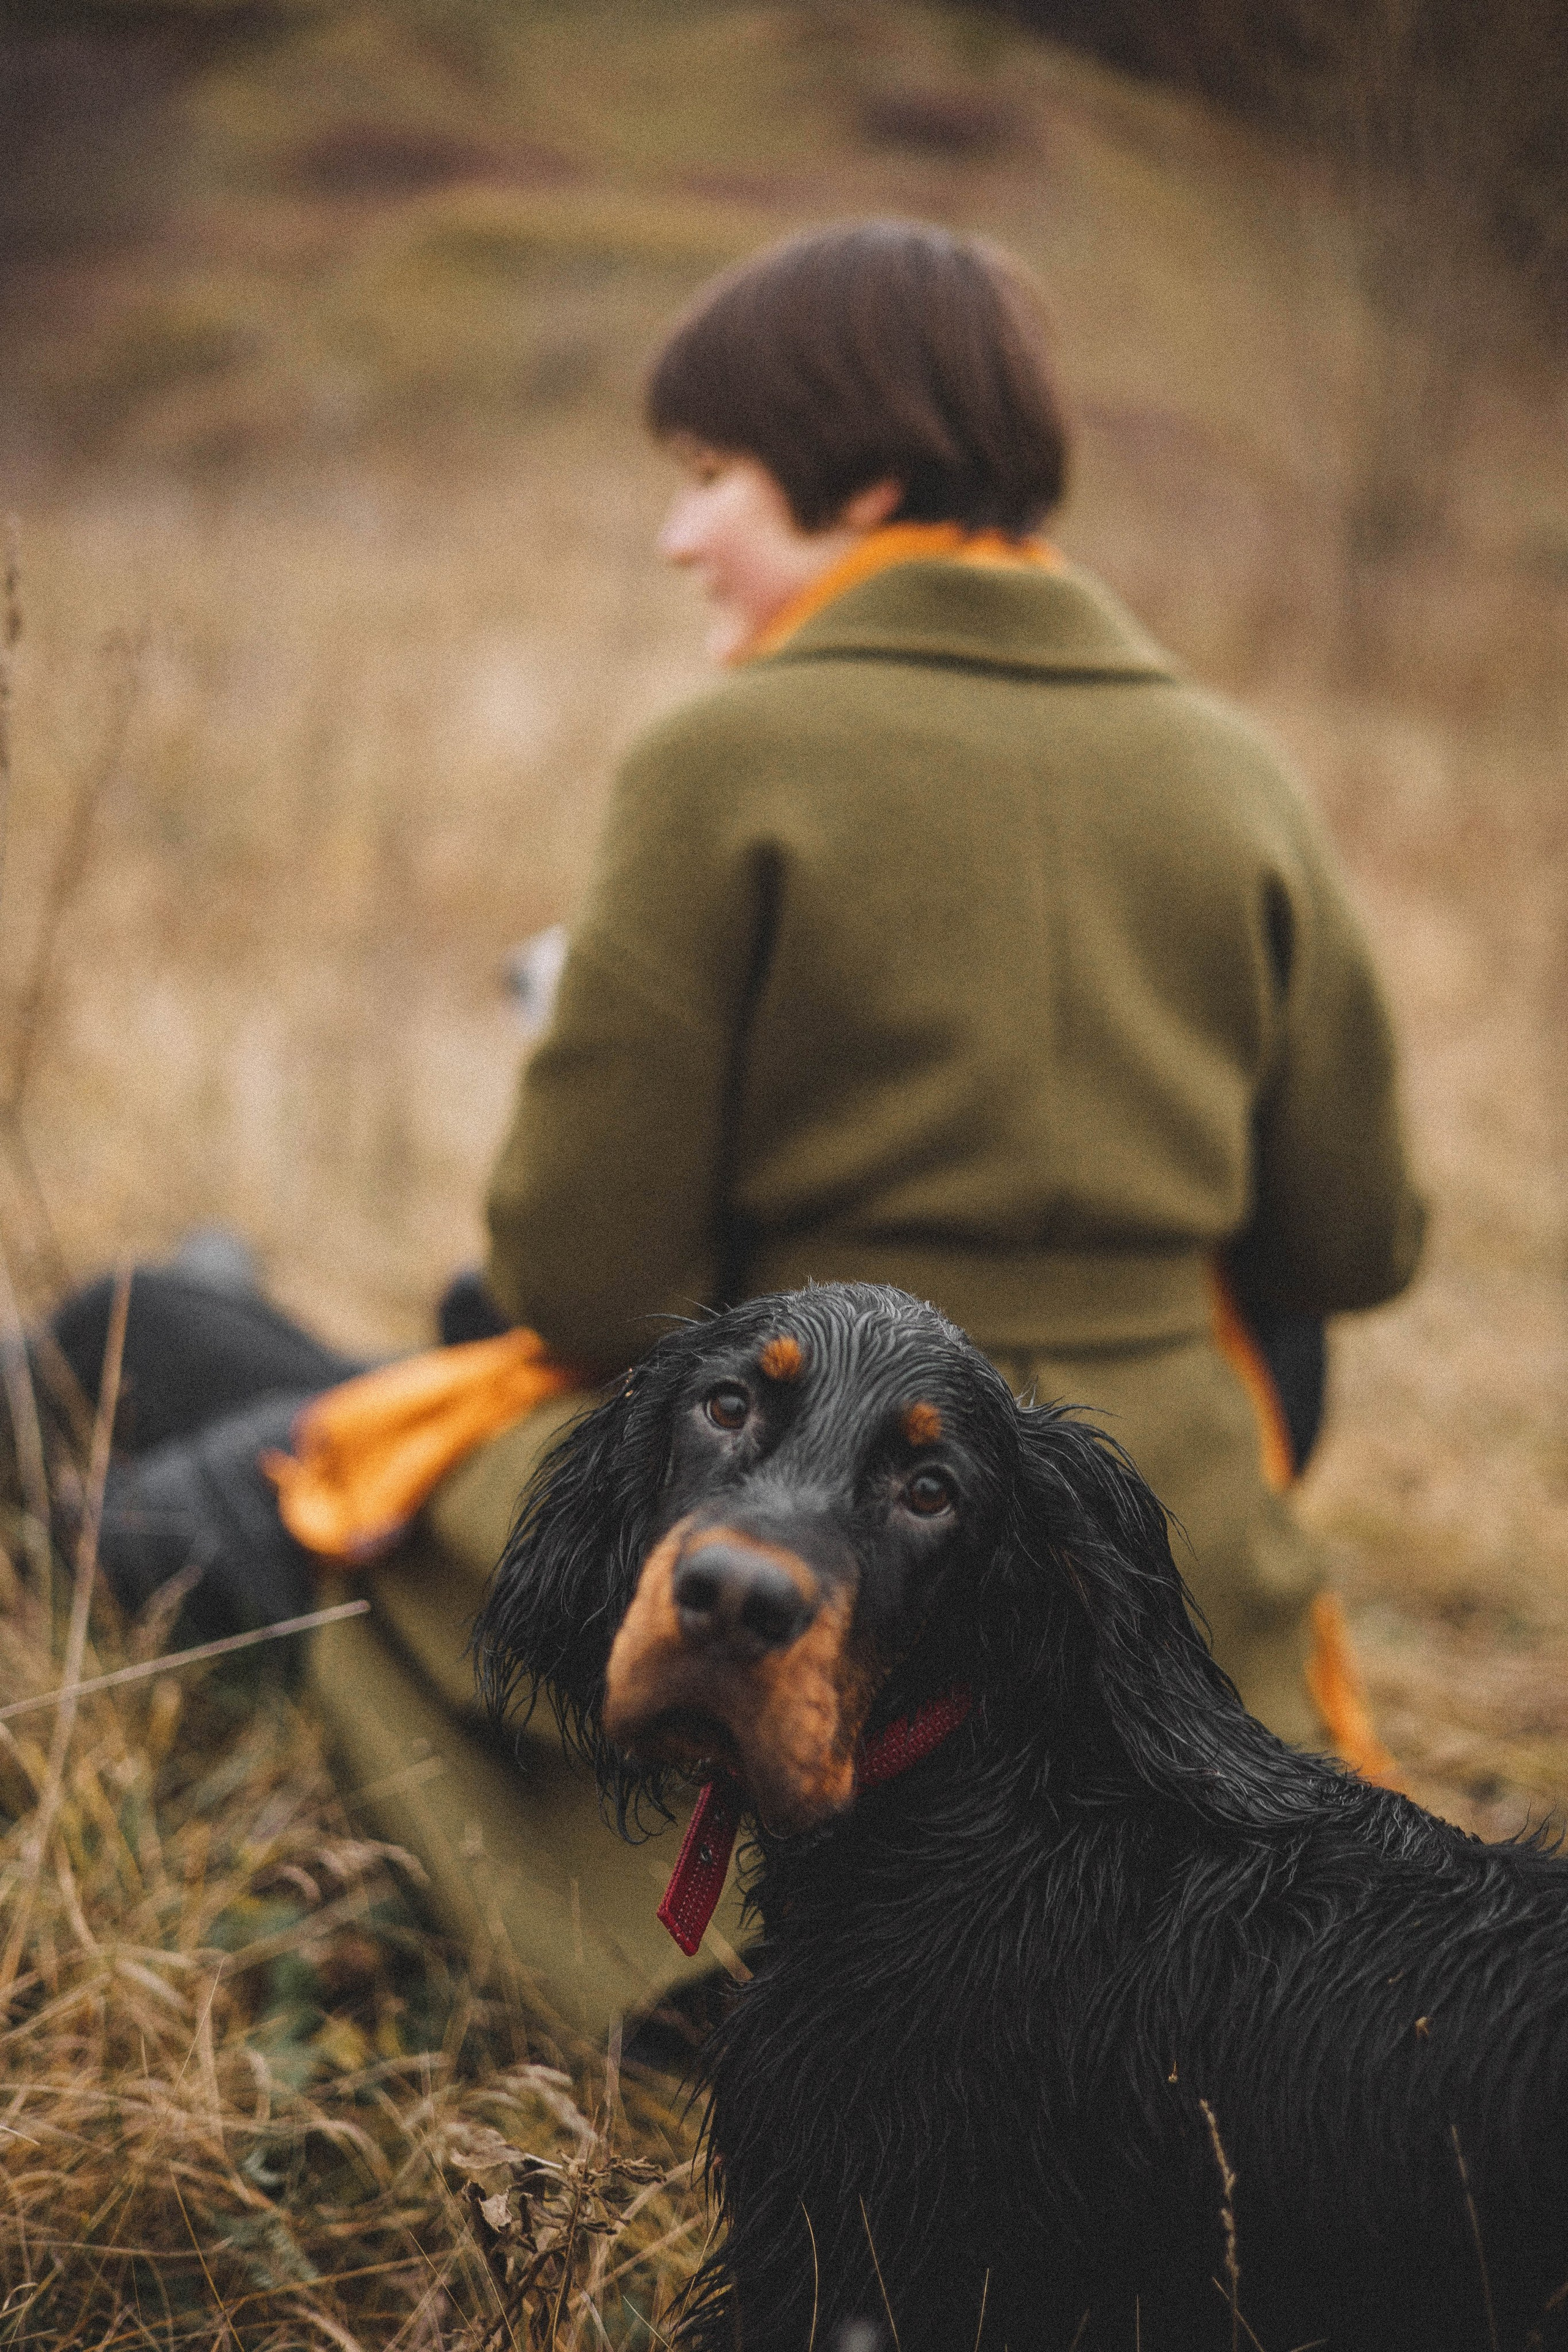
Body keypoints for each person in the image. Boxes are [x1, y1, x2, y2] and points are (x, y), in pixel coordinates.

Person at [40, 221, 1426, 2038]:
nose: (679, 534)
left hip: (788, 1526)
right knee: (221, 1337)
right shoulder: (1241, 770)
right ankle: (169, 1318)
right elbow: (1356, 1241)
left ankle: (99, 1431)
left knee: (228, 1439)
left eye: (711, 480)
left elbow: (580, 1275)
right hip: (1170, 1575)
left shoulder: (729, 758)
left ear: (860, 472)